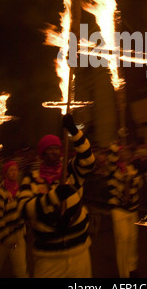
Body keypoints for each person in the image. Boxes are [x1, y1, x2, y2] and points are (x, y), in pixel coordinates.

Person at [18, 113, 95, 278]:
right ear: (42, 155)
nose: (54, 152)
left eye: (56, 149)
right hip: (48, 260)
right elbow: (25, 210)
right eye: (49, 149)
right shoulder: (31, 179)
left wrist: (74, 131)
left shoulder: (71, 170)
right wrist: (53, 197)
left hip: (79, 253)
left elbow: (88, 160)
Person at [0, 161, 29, 278]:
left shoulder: (20, 191)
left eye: (15, 170)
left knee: (21, 268)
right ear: (5, 174)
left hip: (17, 237)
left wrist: (22, 231)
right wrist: (6, 238)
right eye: (10, 171)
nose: (14, 173)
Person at [106, 139, 144, 278]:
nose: (126, 154)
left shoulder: (133, 169)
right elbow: (111, 156)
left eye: (128, 152)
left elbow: (138, 186)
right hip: (118, 209)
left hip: (133, 209)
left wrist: (132, 179)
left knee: (133, 239)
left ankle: (132, 266)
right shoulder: (112, 169)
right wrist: (118, 142)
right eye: (123, 152)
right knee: (123, 239)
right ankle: (124, 274)